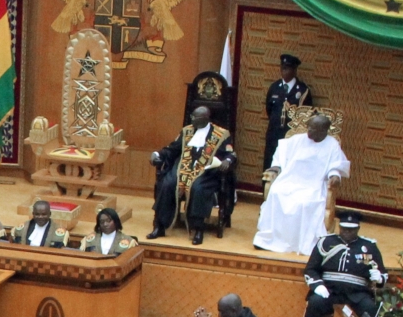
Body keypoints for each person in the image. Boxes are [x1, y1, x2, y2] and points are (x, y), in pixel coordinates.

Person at [254, 113, 348, 255]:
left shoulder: (332, 145)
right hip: (289, 180)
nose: (308, 131)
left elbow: (337, 164)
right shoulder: (297, 140)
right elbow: (281, 153)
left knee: (306, 203)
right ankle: (270, 239)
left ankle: (303, 243)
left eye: (313, 129)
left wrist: (334, 174)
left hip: (313, 185)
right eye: (308, 127)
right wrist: (276, 166)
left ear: (323, 130)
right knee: (277, 193)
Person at [148, 106, 233, 243]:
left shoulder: (221, 134)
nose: (191, 119)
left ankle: (198, 229)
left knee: (198, 188)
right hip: (182, 168)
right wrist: (157, 154)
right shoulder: (187, 131)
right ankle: (160, 226)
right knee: (168, 184)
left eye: (195, 117)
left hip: (205, 172)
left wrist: (227, 161)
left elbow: (230, 153)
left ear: (205, 118)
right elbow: (172, 149)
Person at [301, 212, 385, 317]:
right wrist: (318, 285)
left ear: (358, 229)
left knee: (370, 308)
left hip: (357, 294)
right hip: (330, 291)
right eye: (344, 228)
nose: (347, 232)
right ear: (339, 227)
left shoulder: (369, 247)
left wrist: (379, 278)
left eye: (351, 229)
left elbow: (382, 273)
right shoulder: (326, 242)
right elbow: (311, 269)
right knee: (315, 302)